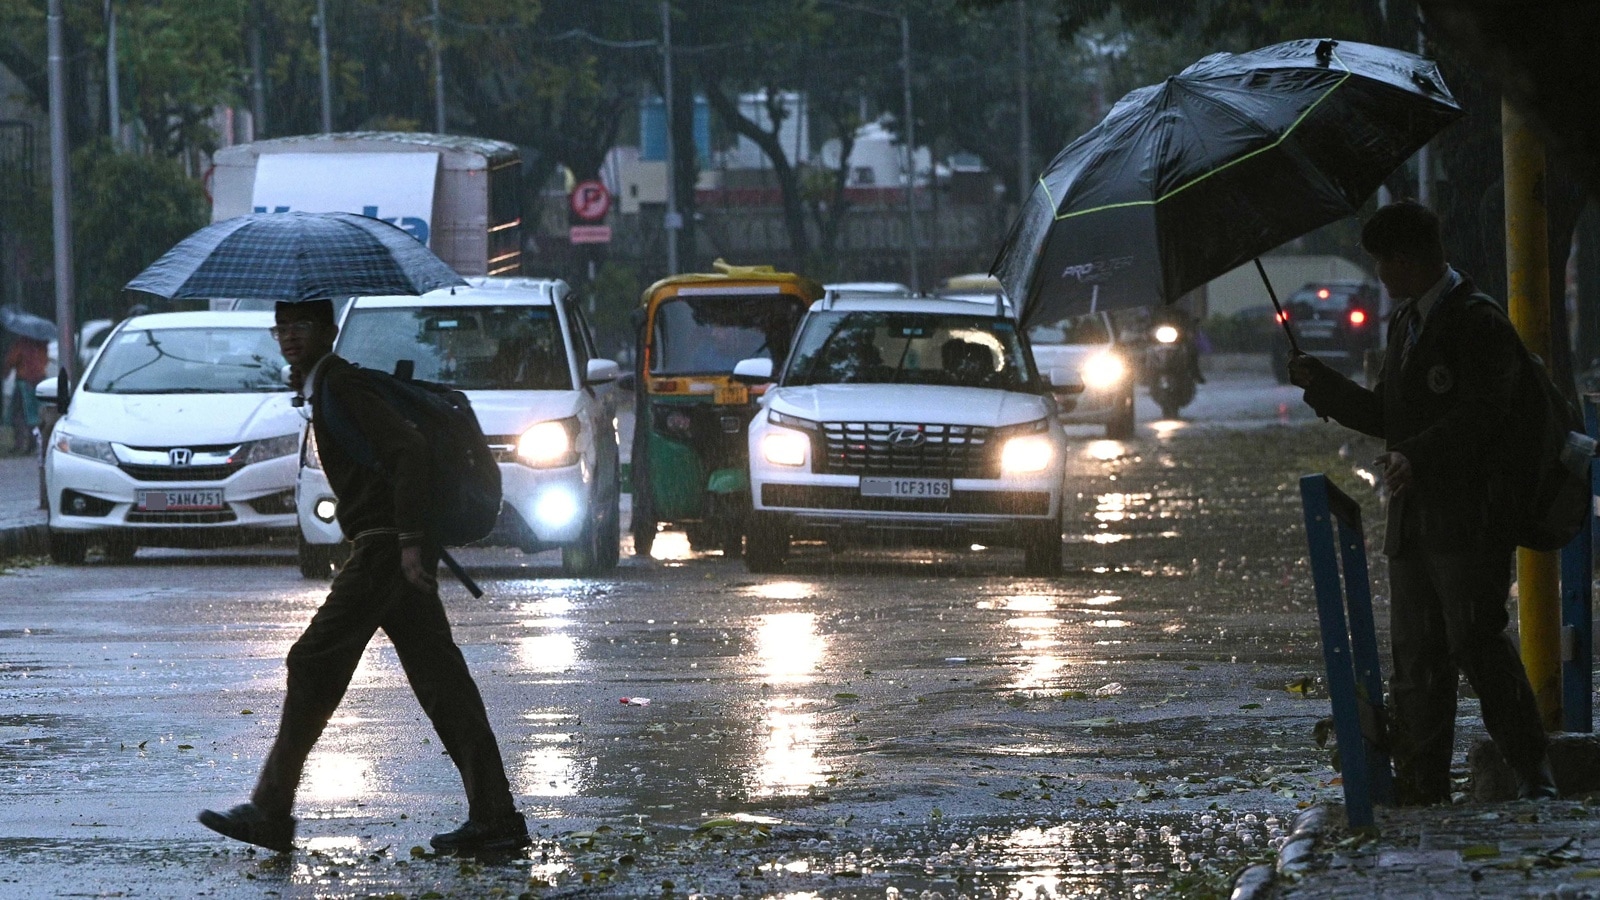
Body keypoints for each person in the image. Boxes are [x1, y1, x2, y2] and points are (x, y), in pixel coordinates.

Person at [198, 299, 528, 854]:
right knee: (442, 682)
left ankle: (272, 810)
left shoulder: (342, 385)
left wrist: (408, 540)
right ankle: (495, 817)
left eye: (302, 326)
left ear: (328, 331)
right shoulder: (325, 387)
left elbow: (408, 449)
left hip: (383, 550)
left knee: (312, 661)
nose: (290, 336)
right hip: (390, 546)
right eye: (282, 328)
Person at [1288, 200, 1557, 804]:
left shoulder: (1477, 321)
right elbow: (1389, 415)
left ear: (1409, 259)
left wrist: (1418, 455)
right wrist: (1322, 384)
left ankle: (1532, 769)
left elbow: (1486, 415)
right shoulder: (1406, 323)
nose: (1379, 275)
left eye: (1383, 263)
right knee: (1417, 657)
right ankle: (1422, 783)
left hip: (1471, 520)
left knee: (1476, 641)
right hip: (1412, 521)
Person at [2, 332, 48, 454]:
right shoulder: (41, 344)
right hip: (39, 381)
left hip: (23, 382)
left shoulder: (21, 344)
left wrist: (5, 372)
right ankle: (35, 442)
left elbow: (11, 360)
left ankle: (20, 443)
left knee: (18, 414)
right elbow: (44, 361)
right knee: (35, 414)